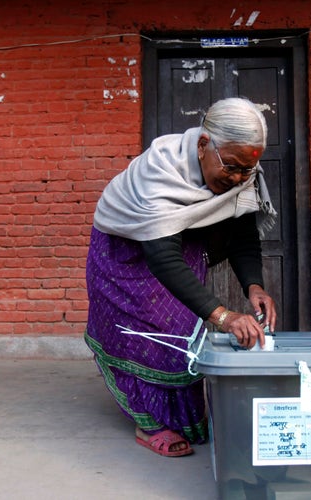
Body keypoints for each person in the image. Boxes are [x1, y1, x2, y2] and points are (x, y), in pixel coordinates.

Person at [85, 97, 279, 457]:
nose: (238, 179)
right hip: (124, 253)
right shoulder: (159, 171)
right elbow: (162, 257)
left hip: (178, 242)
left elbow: (241, 232)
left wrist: (253, 285)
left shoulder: (239, 173)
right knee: (140, 331)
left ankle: (183, 416)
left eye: (246, 172)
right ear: (204, 144)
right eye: (232, 168)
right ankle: (150, 424)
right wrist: (223, 315)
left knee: (180, 329)